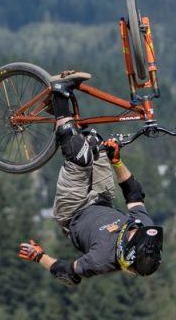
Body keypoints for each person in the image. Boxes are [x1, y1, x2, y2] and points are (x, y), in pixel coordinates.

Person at [17, 72, 163, 286]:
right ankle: (59, 113)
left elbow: (68, 274)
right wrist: (116, 161)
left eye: (132, 235)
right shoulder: (144, 229)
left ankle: (59, 91)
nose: (134, 231)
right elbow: (133, 193)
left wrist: (39, 256)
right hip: (101, 198)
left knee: (80, 158)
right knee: (95, 143)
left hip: (72, 211)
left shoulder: (101, 260)